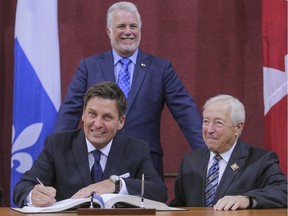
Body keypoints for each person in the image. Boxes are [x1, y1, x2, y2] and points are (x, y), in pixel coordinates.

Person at [53, 1, 205, 177]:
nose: (128, 31)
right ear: (109, 31)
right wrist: (54, 157)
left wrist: (207, 156)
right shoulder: (89, 67)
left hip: (145, 164)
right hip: (98, 161)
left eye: (133, 26)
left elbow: (186, 113)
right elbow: (69, 112)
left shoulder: (160, 69)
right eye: (121, 26)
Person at [13, 81, 167, 208]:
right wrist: (34, 195)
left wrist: (116, 185)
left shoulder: (137, 149)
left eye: (107, 117)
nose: (97, 124)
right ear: (83, 114)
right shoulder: (57, 145)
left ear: (121, 121)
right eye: (92, 114)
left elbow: (159, 192)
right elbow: (22, 188)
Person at [170, 94, 287, 210]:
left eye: (218, 122)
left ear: (238, 128)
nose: (209, 129)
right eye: (206, 121)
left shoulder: (260, 160)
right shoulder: (190, 161)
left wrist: (246, 199)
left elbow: (283, 192)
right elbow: (179, 205)